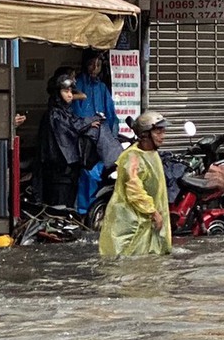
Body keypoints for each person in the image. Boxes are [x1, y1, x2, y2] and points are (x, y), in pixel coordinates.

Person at [99, 111, 172, 257]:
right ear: (145, 134)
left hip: (147, 223)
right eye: (158, 132)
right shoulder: (132, 158)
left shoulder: (152, 154)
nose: (162, 136)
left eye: (163, 132)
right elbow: (134, 190)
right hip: (131, 225)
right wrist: (153, 212)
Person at [36, 68, 103, 210]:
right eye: (65, 91)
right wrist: (87, 123)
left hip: (69, 173)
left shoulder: (66, 112)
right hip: (57, 173)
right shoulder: (54, 115)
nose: (70, 95)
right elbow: (70, 128)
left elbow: (75, 122)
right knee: (58, 207)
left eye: (70, 92)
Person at [74, 54, 117, 213]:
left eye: (98, 65)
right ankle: (85, 210)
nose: (95, 68)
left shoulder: (101, 88)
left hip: (102, 138)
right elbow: (76, 114)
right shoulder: (78, 85)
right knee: (87, 174)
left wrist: (111, 135)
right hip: (85, 140)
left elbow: (111, 115)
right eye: (92, 64)